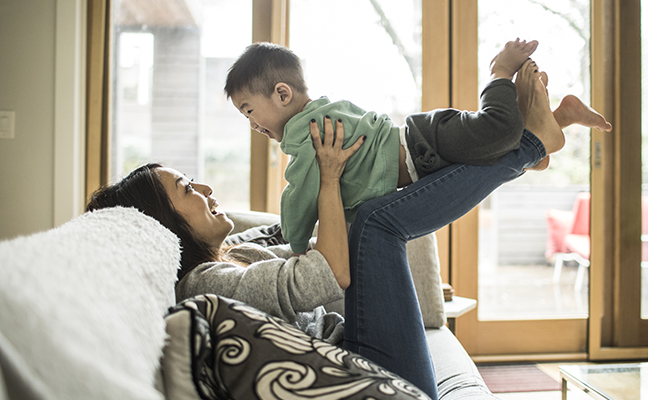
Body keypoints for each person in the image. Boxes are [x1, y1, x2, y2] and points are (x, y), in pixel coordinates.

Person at [87, 58, 601, 397]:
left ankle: (532, 140)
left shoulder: (232, 252)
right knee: (376, 221)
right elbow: (329, 271)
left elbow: (295, 240)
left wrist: (393, 287)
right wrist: (329, 179)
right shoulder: (206, 283)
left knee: (377, 212)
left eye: (196, 182)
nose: (205, 191)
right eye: (187, 191)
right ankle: (531, 144)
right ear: (169, 225)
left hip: (360, 343)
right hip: (363, 368)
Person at [224, 39, 612, 254]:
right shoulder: (322, 112)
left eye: (248, 110)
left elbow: (297, 206)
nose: (252, 124)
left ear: (281, 93)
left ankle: (500, 72)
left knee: (500, 131)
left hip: (425, 143)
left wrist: (289, 237)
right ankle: (560, 117)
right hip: (425, 154)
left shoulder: (308, 137)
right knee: (503, 154)